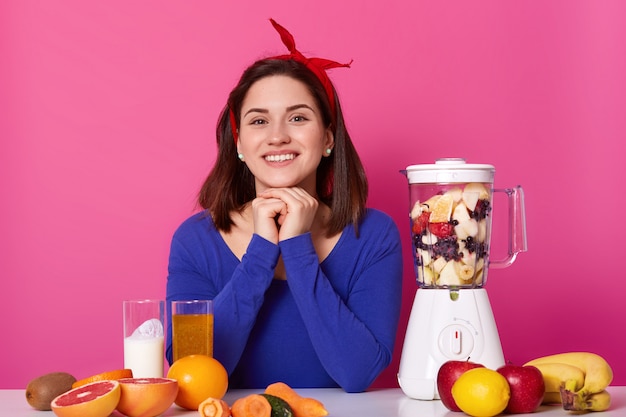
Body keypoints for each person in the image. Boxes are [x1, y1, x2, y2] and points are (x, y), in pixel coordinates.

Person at [165, 19, 403, 393]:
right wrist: (261, 250)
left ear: (327, 137)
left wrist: (296, 248)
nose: (277, 136)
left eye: (297, 118)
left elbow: (357, 374)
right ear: (240, 143)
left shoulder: (372, 235)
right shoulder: (195, 240)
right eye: (259, 120)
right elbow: (191, 375)